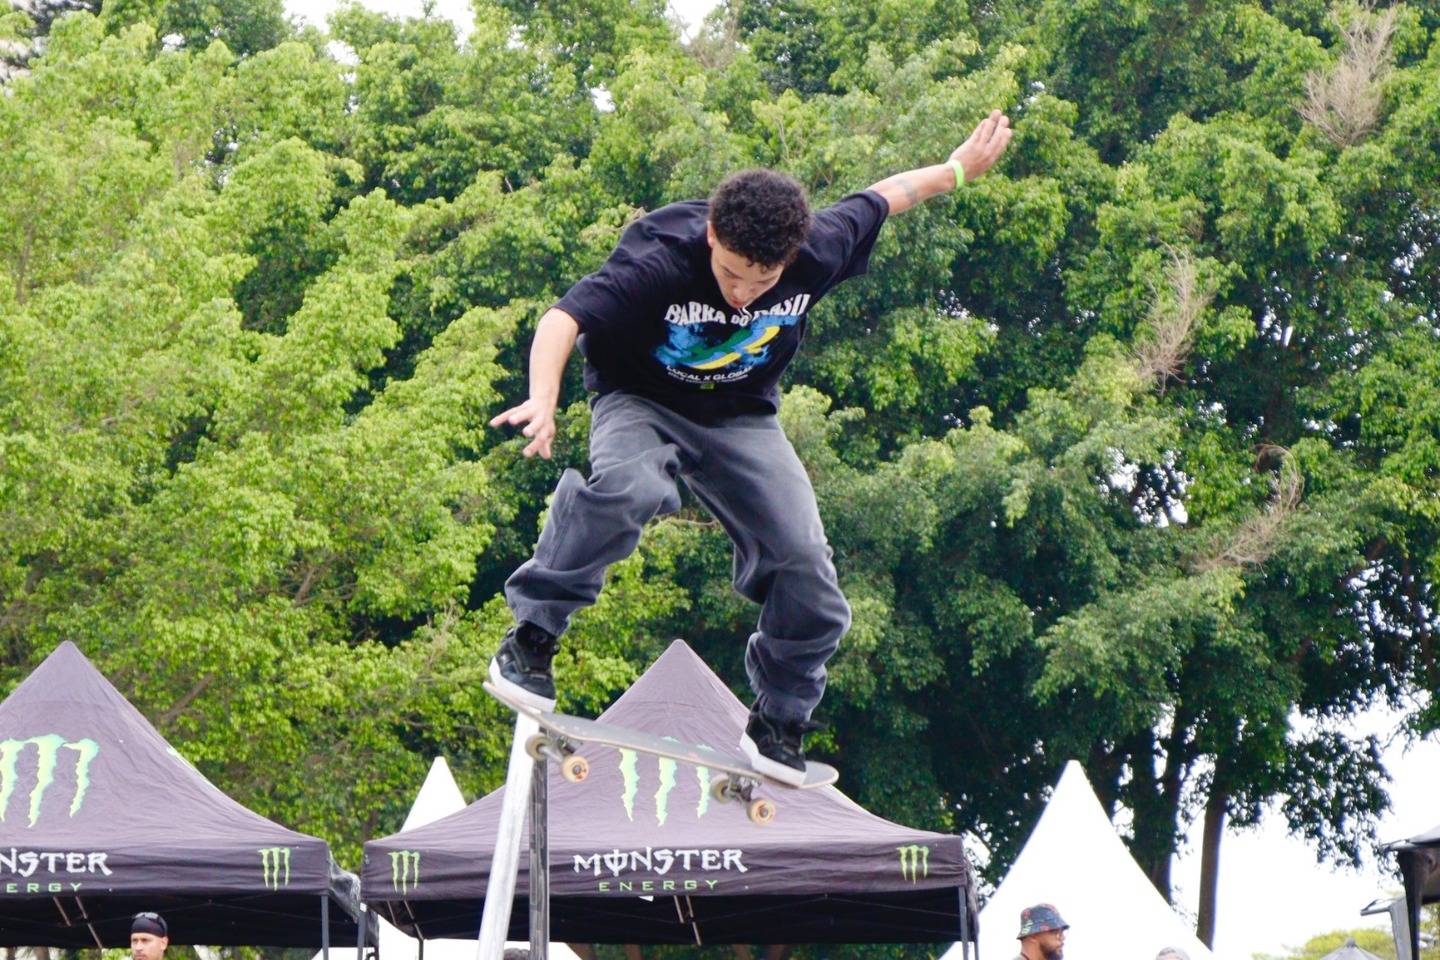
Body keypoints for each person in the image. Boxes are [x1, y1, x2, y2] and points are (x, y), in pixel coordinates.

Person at [488, 110, 1014, 784]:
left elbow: (886, 196)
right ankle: (532, 636)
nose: (742, 295)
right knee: (632, 489)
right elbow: (563, 318)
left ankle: (779, 718)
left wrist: (958, 171)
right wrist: (542, 396)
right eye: (732, 274)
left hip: (742, 416)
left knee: (805, 561)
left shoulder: (818, 247)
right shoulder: (661, 255)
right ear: (712, 235)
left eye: (762, 283)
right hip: (639, 400)